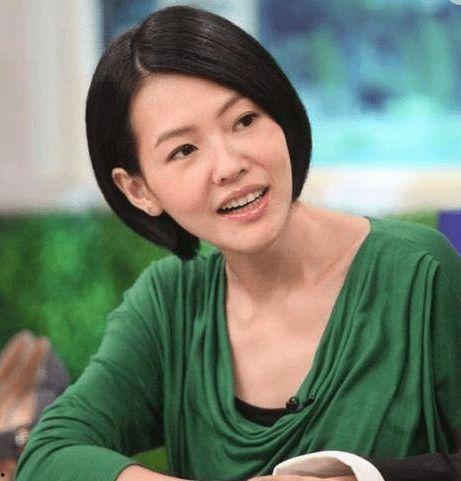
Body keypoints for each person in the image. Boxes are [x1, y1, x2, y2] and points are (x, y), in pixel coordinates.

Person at [14, 5, 461, 481]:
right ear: (139, 190)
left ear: (281, 115)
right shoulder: (171, 304)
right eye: (184, 150)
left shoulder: (418, 271)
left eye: (244, 120)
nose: (229, 166)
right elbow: (49, 454)